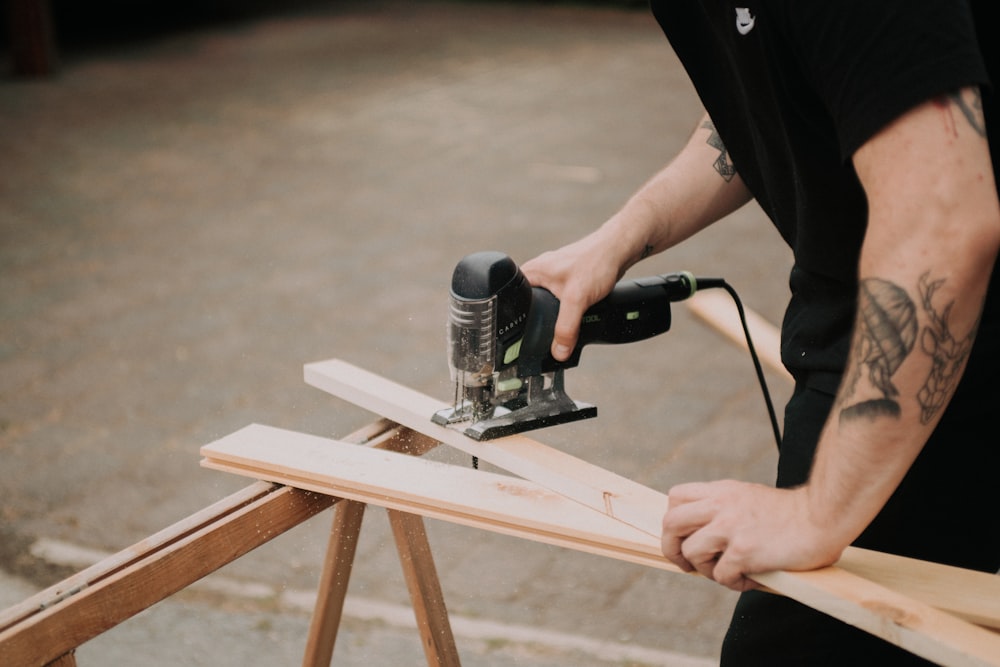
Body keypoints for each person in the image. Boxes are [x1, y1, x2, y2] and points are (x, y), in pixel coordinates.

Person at [521, 1, 999, 664]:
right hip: (855, 323)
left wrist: (818, 513)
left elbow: (945, 224)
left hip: (949, 343)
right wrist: (620, 237)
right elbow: (764, 103)